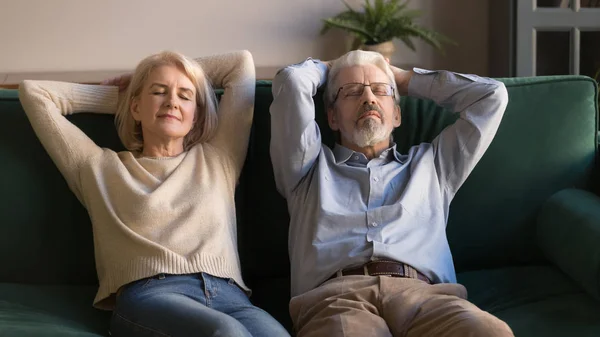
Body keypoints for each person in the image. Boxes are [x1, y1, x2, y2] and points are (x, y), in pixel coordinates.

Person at [19, 50, 289, 337]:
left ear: (195, 115)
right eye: (159, 92)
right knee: (227, 333)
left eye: (185, 96)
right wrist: (124, 97)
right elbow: (35, 93)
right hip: (151, 296)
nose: (172, 101)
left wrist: (151, 84)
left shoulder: (219, 157)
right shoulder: (97, 168)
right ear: (135, 108)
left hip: (230, 297)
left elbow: (240, 64)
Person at [269, 50, 513, 337]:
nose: (369, 98)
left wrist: (405, 79)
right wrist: (332, 67)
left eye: (381, 91)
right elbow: (291, 82)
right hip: (336, 300)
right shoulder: (306, 170)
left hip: (426, 297)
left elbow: (492, 96)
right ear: (332, 117)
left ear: (397, 114)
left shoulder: (435, 165)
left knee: (489, 332)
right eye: (352, 92)